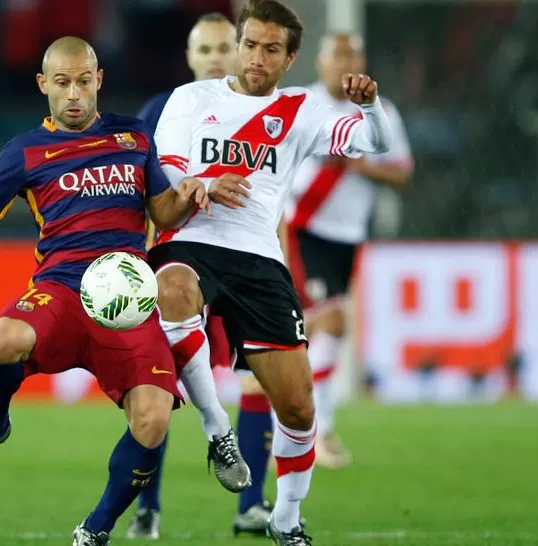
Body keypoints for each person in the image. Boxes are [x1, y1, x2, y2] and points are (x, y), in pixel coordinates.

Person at [0, 37, 211, 546]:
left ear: (99, 80)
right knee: (3, 339)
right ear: (43, 85)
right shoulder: (24, 152)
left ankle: (96, 529)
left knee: (155, 418)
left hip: (128, 297)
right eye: (63, 82)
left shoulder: (135, 138)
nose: (74, 93)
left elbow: (163, 214)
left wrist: (189, 198)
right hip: (63, 289)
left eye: (83, 81)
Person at [149, 0, 395, 543]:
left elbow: (373, 144)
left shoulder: (302, 110)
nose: (257, 58)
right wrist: (206, 187)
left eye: (271, 49)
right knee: (170, 287)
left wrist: (371, 107)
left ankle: (285, 517)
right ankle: (219, 428)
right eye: (250, 45)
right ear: (238, 44)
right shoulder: (191, 100)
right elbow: (165, 187)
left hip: (260, 259)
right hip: (192, 240)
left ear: (289, 59)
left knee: (300, 406)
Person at [127, 11, 273, 540]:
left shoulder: (265, 111)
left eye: (222, 49)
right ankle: (147, 506)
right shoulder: (160, 113)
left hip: (242, 261)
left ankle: (251, 505)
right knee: (158, 386)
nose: (214, 58)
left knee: (259, 376)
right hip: (175, 262)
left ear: (238, 53)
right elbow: (141, 192)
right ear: (189, 59)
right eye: (204, 50)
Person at [282, 33, 414, 470]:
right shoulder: (301, 105)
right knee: (333, 323)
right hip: (303, 229)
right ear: (318, 63)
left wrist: (363, 167)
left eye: (352, 55)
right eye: (336, 56)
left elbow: (403, 175)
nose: (344, 64)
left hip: (347, 236)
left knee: (316, 332)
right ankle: (317, 431)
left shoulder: (381, 112)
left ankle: (293, 426)